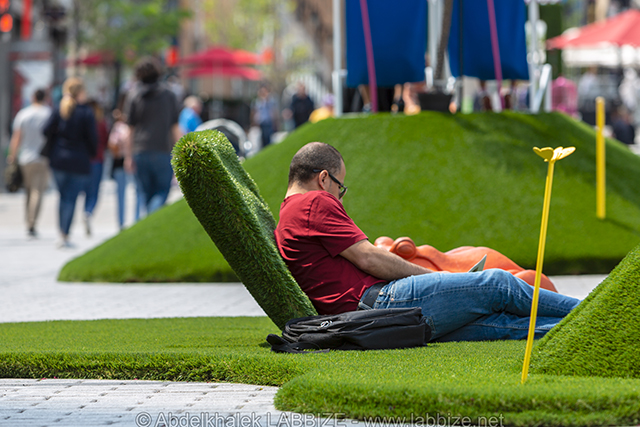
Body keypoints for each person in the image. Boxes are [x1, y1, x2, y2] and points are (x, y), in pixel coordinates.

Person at [274, 142, 581, 342]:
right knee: (499, 284)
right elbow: (370, 258)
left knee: (499, 325)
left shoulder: (287, 217)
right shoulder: (313, 202)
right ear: (323, 178)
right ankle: (594, 313)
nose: (340, 197)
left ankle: (595, 333)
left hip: (371, 321)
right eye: (340, 188)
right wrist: (438, 277)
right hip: (382, 303)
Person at [43, 77, 97, 248]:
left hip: (59, 159)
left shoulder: (59, 108)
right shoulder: (86, 112)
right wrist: (92, 154)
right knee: (71, 198)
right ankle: (65, 234)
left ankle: (61, 232)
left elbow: (45, 130)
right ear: (80, 92)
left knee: (62, 197)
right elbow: (93, 138)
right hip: (78, 161)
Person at [123, 56, 180, 217]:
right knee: (162, 192)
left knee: (145, 194)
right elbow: (175, 128)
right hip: (162, 150)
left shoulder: (134, 96)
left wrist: (128, 156)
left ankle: (149, 218)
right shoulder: (169, 95)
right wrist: (181, 154)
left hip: (140, 150)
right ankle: (152, 216)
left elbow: (130, 130)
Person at [7, 88, 52, 238]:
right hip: (43, 158)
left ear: (33, 97)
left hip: (25, 158)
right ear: (45, 97)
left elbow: (16, 137)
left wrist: (12, 155)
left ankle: (28, 220)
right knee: (37, 191)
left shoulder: (23, 114)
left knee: (28, 190)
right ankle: (32, 223)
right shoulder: (48, 114)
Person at [82, 100, 109, 236]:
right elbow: (106, 141)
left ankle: (86, 211)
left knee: (84, 189)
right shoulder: (101, 123)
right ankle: (88, 211)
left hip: (83, 160)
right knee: (93, 192)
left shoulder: (83, 122)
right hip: (97, 159)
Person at [107, 108, 136, 230]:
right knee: (137, 193)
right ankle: (136, 220)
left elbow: (112, 144)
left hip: (120, 162)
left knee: (121, 194)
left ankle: (121, 222)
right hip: (130, 162)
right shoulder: (125, 127)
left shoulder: (119, 127)